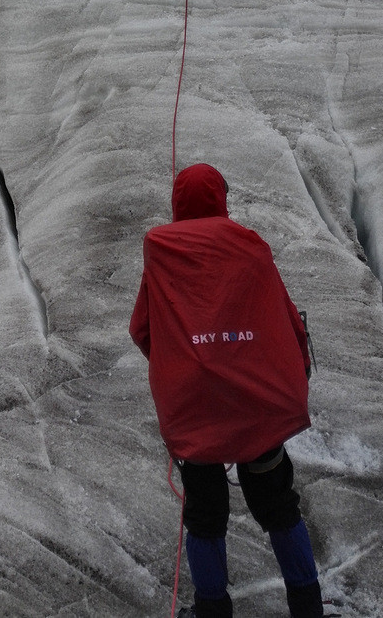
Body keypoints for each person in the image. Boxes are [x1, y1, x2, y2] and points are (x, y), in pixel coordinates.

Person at [130, 163, 325, 618]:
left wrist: (184, 363)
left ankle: (212, 610)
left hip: (195, 404)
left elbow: (143, 329)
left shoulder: (160, 250)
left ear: (178, 203)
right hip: (255, 401)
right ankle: (307, 607)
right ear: (221, 198)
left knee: (204, 512)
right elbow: (284, 317)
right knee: (278, 503)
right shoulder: (250, 246)